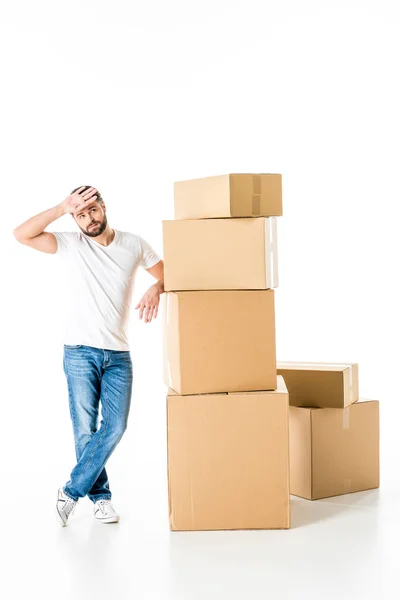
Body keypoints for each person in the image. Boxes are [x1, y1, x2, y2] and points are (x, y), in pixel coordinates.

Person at [13, 186, 164, 526]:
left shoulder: (134, 244)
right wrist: (61, 207)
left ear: (103, 207)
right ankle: (101, 498)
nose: (89, 219)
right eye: (80, 214)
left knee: (115, 426)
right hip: (79, 351)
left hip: (119, 353)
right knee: (85, 430)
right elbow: (20, 234)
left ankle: (70, 492)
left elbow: (169, 272)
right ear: (74, 217)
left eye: (92, 210)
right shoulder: (70, 244)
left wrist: (156, 286)